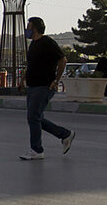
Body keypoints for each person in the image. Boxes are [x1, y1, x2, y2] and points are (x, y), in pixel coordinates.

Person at [19, 16, 74, 160]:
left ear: (35, 27)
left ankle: (37, 150)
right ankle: (65, 134)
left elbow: (63, 60)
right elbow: (30, 65)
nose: (27, 29)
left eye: (29, 26)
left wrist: (56, 80)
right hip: (32, 86)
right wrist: (22, 80)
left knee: (33, 117)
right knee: (35, 118)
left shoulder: (48, 42)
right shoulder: (33, 45)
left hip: (44, 86)